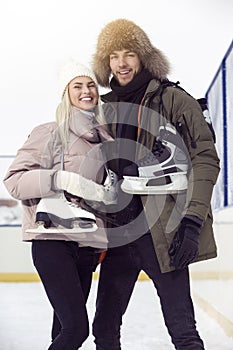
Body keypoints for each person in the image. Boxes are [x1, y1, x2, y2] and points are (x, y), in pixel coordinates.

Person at [91, 18, 220, 349]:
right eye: (114, 56)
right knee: (104, 331)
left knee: (183, 332)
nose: (121, 63)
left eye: (129, 54)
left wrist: (191, 222)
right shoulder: (103, 110)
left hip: (165, 233)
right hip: (120, 236)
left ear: (144, 57)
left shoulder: (174, 99)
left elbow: (205, 158)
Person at [3, 61, 117, 350]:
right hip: (52, 240)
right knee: (77, 328)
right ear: (66, 94)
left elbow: (107, 198)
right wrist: (59, 179)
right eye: (77, 86)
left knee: (63, 331)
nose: (86, 91)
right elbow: (14, 181)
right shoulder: (49, 133)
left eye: (90, 84)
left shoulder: (107, 141)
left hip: (88, 246)